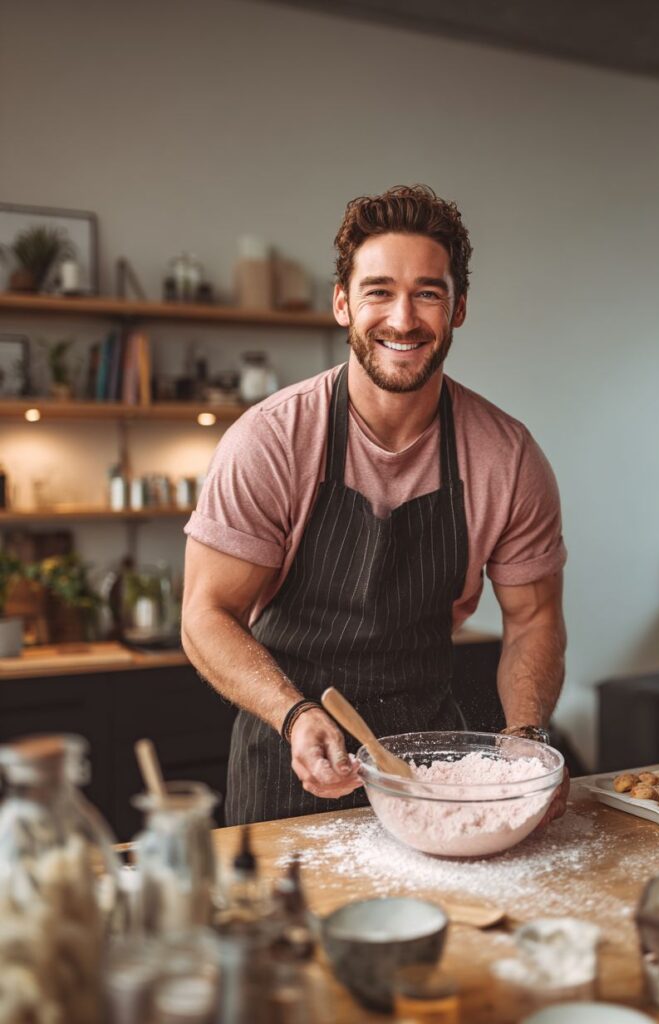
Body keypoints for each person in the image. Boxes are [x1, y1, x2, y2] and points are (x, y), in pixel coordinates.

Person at [181, 185, 568, 825]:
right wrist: (294, 713)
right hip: (288, 758)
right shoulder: (272, 440)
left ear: (459, 308)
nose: (403, 318)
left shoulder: (506, 456)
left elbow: (534, 619)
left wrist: (525, 739)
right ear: (342, 304)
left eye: (428, 293)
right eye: (379, 291)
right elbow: (205, 614)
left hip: (430, 771)